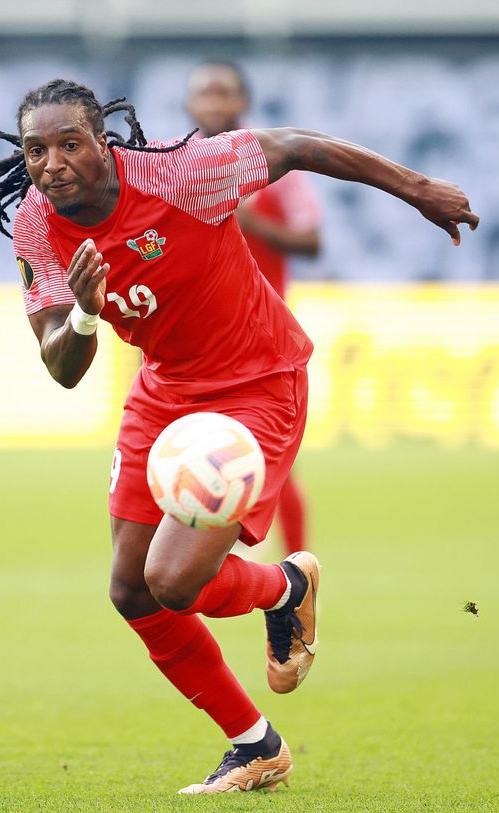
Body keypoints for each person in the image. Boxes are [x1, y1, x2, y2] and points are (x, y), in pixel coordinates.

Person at [0, 79, 477, 794]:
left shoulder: (183, 173)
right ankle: (255, 742)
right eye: (36, 150)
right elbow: (62, 366)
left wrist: (416, 189)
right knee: (129, 589)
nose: (51, 164)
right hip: (164, 390)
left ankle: (282, 585)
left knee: (171, 580)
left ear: (103, 145)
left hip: (257, 383)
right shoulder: (34, 228)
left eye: (69, 144)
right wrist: (83, 315)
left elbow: (298, 146)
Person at [186, 59, 322, 555]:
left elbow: (312, 242)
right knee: (182, 457)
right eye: (205, 93)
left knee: (276, 463)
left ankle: (297, 569)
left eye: (224, 93)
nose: (214, 103)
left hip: (261, 338)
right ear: (189, 103)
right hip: (191, 341)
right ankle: (194, 565)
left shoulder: (272, 164)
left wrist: (248, 221)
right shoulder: (170, 167)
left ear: (243, 102)